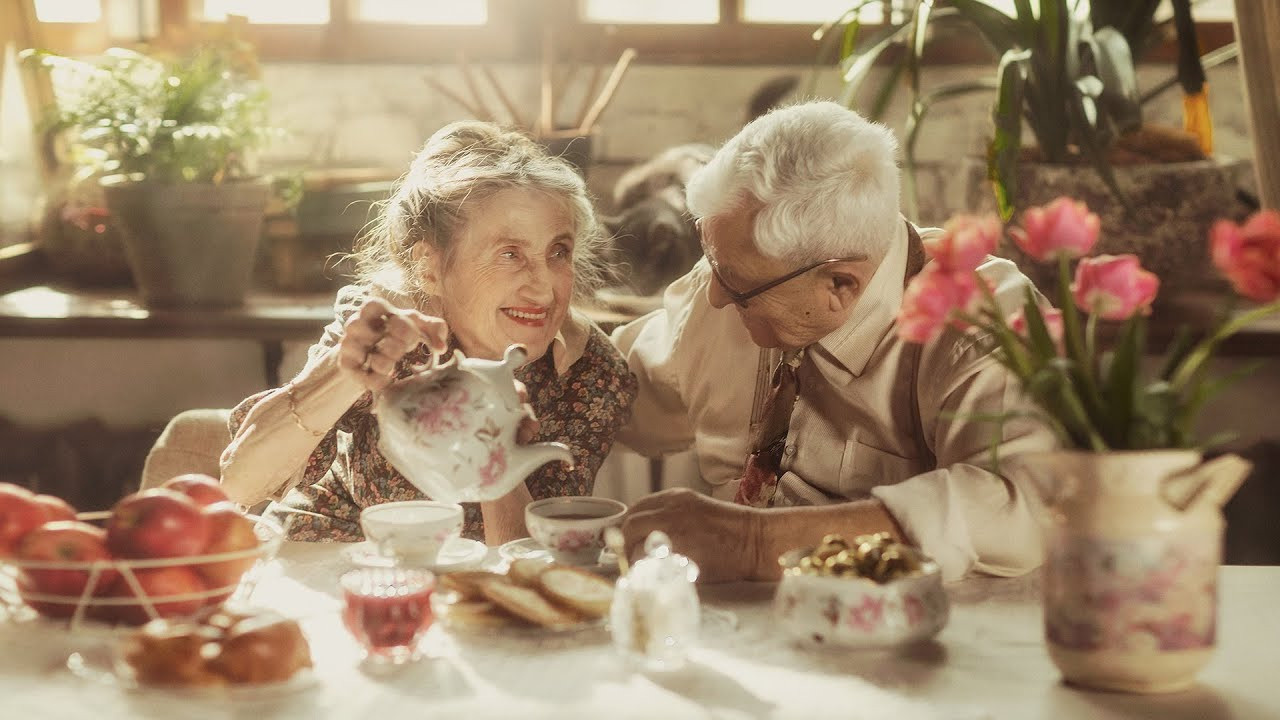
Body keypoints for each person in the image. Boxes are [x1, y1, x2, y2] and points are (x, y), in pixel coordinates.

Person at [613, 101, 1055, 582]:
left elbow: (1024, 506)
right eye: (712, 261)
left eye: (737, 287)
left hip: (913, 637)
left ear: (840, 285)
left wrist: (752, 541)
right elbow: (622, 390)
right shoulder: (739, 269)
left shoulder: (985, 322)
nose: (715, 296)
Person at [219, 122, 637, 546]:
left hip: (472, 594)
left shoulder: (588, 372)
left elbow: (527, 562)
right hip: (330, 564)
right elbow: (239, 485)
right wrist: (345, 371)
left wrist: (489, 435)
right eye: (510, 253)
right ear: (430, 268)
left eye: (558, 252)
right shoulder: (390, 331)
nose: (545, 287)